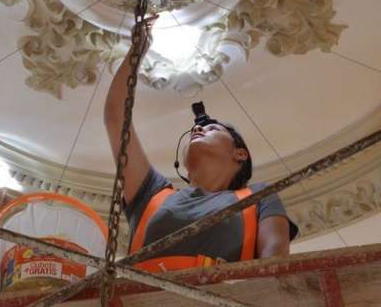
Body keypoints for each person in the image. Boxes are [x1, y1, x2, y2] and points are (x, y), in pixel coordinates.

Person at [104, 19, 298, 275]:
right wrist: (136, 52)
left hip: (224, 301)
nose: (198, 129)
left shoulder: (258, 197)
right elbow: (116, 118)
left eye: (212, 129)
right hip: (143, 303)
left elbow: (275, 255)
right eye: (196, 130)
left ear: (240, 154)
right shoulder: (153, 194)